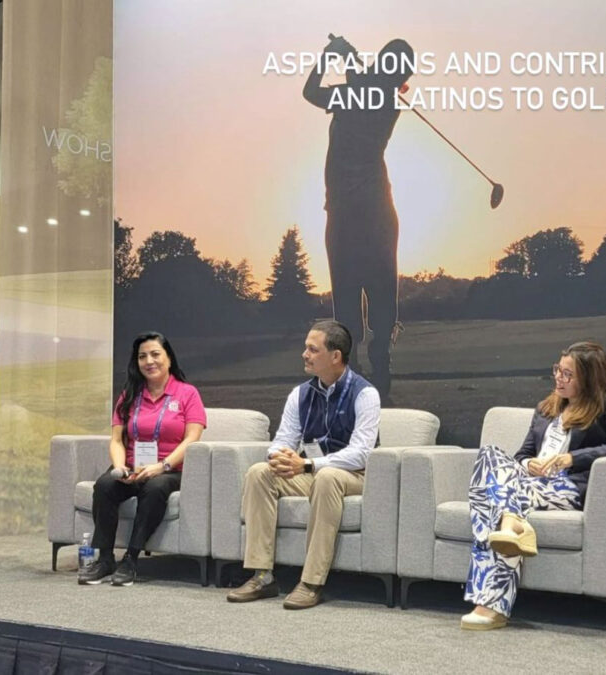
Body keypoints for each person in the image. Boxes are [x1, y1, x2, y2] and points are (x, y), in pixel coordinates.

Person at [462, 341, 606, 630]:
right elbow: (521, 455)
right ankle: (510, 526)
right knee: (489, 453)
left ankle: (492, 602)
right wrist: (528, 464)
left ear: (589, 378)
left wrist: (571, 458)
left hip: (566, 487)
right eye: (558, 370)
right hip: (528, 483)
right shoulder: (546, 409)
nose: (559, 377)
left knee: (491, 498)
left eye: (568, 374)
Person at [225, 320, 380, 609]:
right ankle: (262, 575)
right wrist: (279, 458)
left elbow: (361, 454)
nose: (304, 354)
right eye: (305, 348)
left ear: (335, 356)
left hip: (355, 475)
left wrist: (307, 464)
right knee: (260, 472)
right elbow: (283, 438)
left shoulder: (365, 394)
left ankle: (311, 582)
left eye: (312, 349)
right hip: (311, 470)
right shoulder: (300, 394)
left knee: (328, 477)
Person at [303, 36, 414, 399]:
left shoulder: (380, 101)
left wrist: (338, 57)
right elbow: (313, 92)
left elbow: (337, 91)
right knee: (351, 304)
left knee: (377, 299)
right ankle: (363, 372)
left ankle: (378, 358)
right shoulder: (369, 93)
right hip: (356, 213)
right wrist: (339, 59)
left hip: (363, 215)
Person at [78, 332, 206, 587]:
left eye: (155, 354)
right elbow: (117, 439)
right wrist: (119, 468)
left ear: (168, 358)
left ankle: (131, 559)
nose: (149, 361)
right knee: (104, 486)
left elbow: (193, 438)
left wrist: (162, 465)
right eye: (142, 356)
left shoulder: (187, 393)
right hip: (132, 467)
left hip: (171, 469)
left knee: (155, 487)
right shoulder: (129, 395)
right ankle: (105, 559)